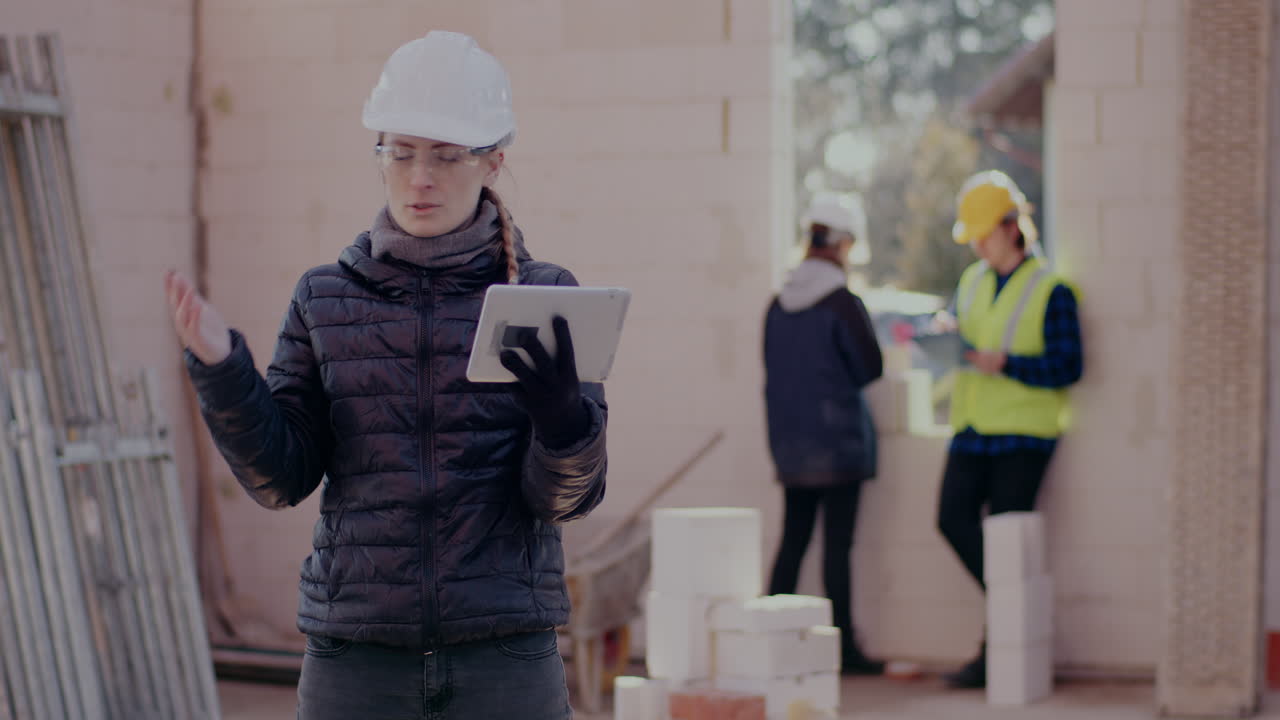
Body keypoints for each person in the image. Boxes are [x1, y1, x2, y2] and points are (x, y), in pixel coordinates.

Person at [163, 31, 607, 719]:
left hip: (504, 661)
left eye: (445, 156)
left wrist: (565, 424)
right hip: (356, 663)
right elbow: (280, 477)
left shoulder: (545, 297)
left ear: (493, 160)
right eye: (400, 153)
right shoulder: (324, 299)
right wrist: (225, 370)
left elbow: (565, 500)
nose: (419, 177)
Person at [936, 170, 1083, 689]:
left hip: (1024, 434)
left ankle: (998, 652)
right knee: (951, 519)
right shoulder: (971, 281)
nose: (977, 243)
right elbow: (959, 331)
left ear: (1010, 226)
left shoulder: (1052, 289)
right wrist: (943, 335)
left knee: (1005, 544)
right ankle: (1019, 617)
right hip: (973, 427)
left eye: (984, 232)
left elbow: (1069, 366)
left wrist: (1010, 364)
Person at [762, 192, 885, 675]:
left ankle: (769, 643)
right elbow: (869, 367)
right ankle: (844, 651)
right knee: (837, 547)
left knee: (792, 542)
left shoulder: (777, 303)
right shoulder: (842, 302)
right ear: (842, 244)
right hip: (840, 449)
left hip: (791, 447)